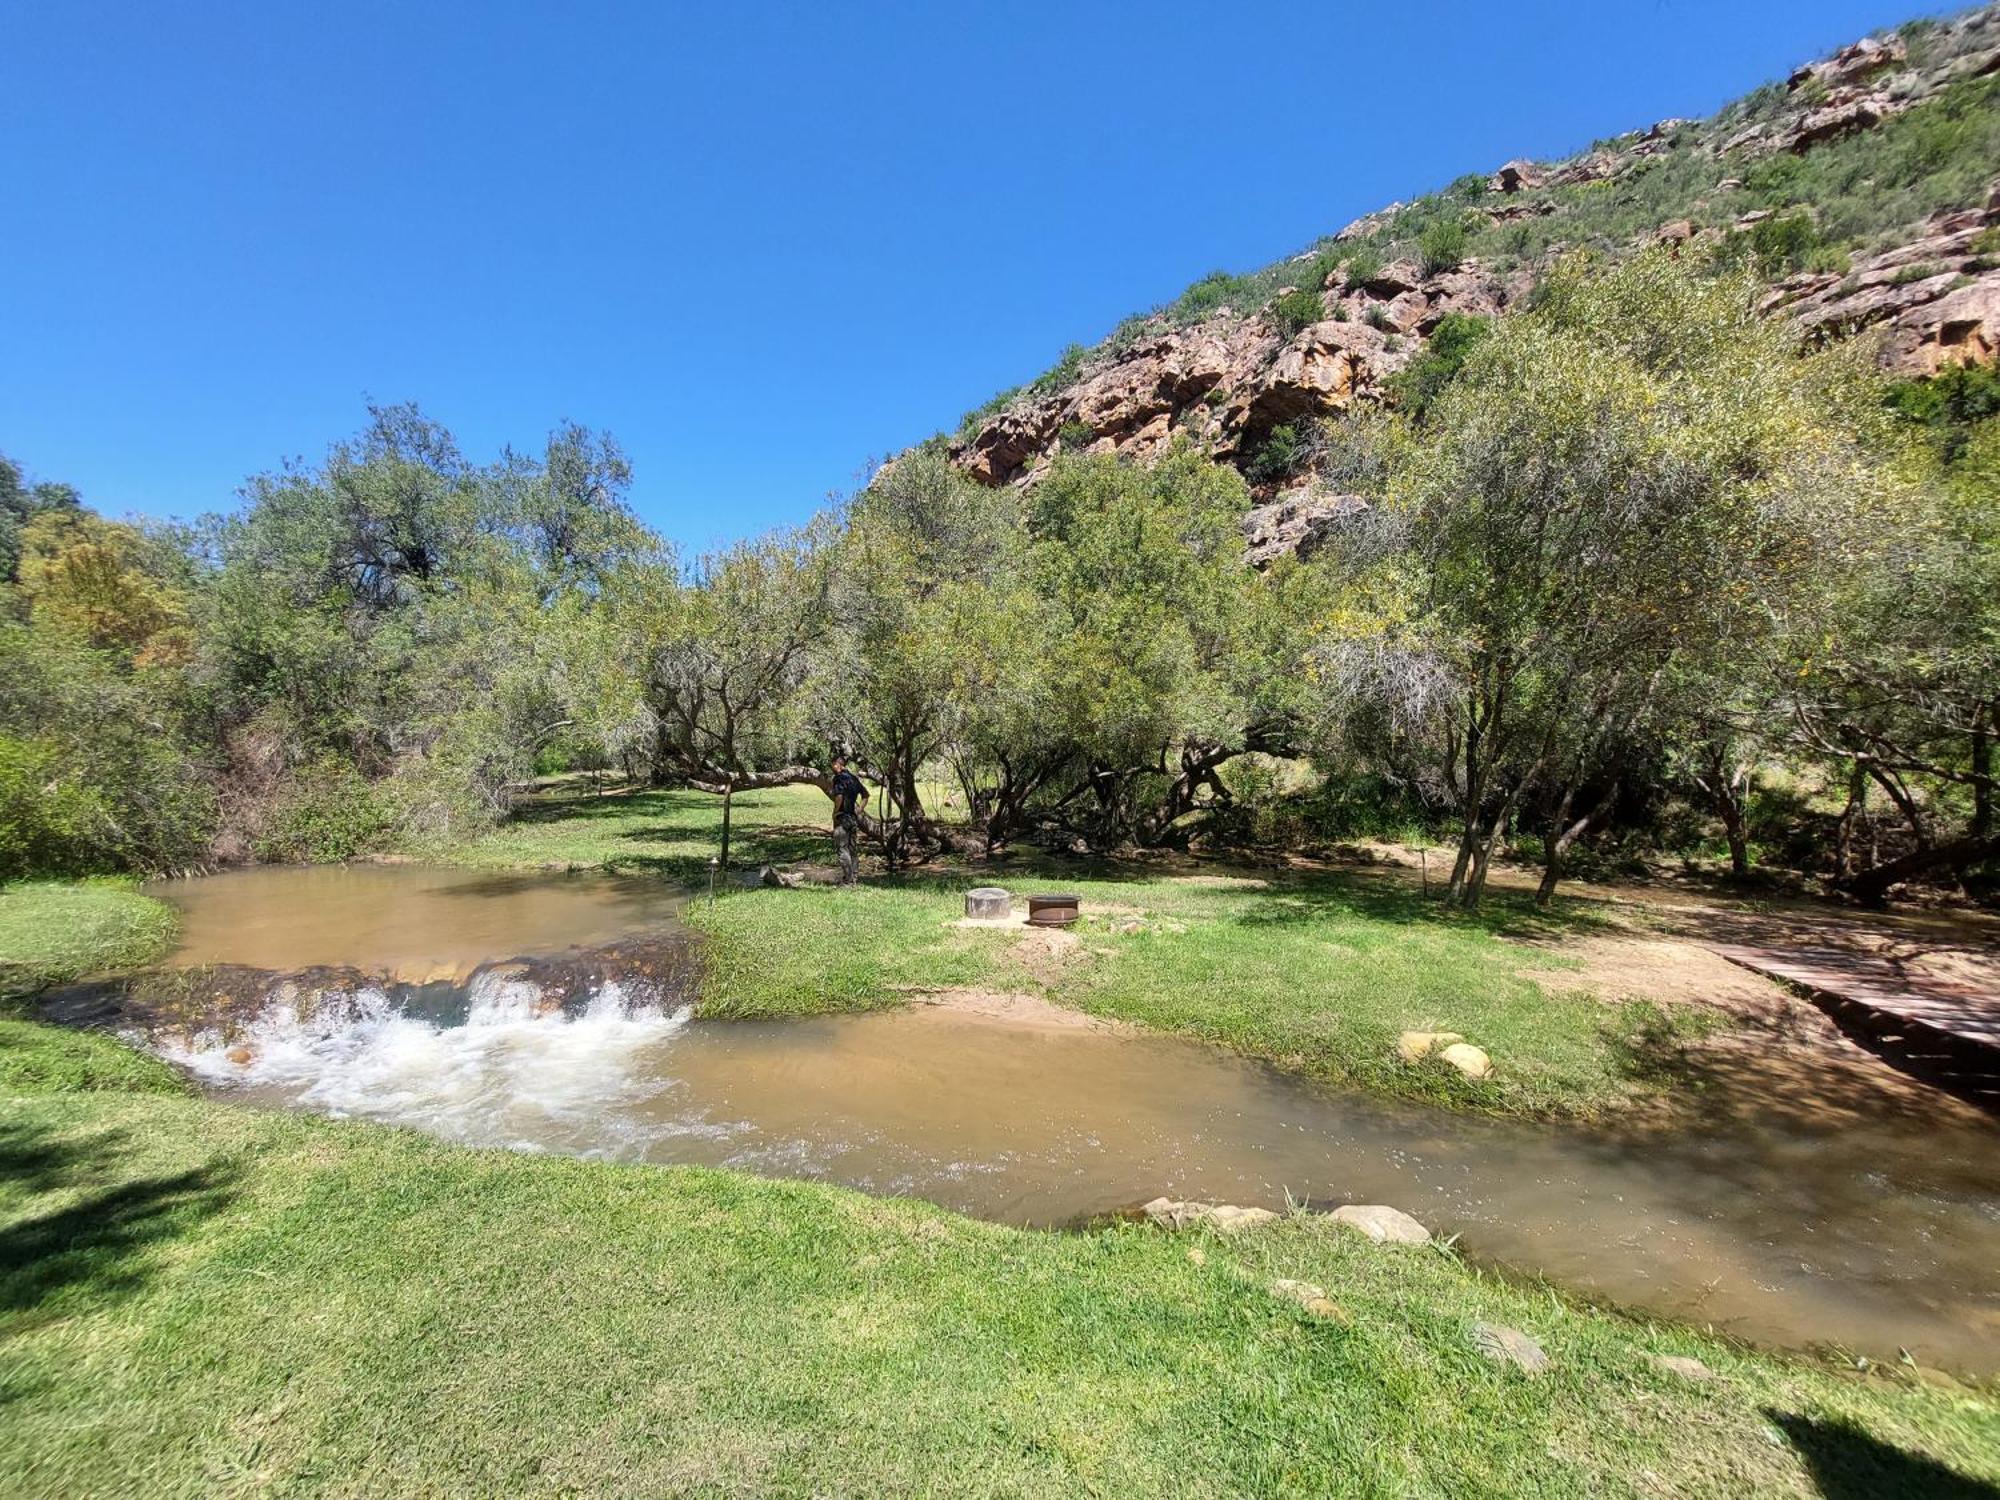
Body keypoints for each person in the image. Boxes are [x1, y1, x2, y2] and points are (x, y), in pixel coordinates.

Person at [827, 754, 867, 885]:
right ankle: (854, 878)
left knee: (842, 849)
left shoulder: (838, 778)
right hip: (853, 819)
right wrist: (859, 809)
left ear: (838, 764)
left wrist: (835, 812)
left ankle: (848, 881)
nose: (832, 768)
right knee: (852, 849)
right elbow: (865, 795)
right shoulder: (853, 778)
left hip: (842, 818)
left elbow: (839, 797)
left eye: (833, 765)